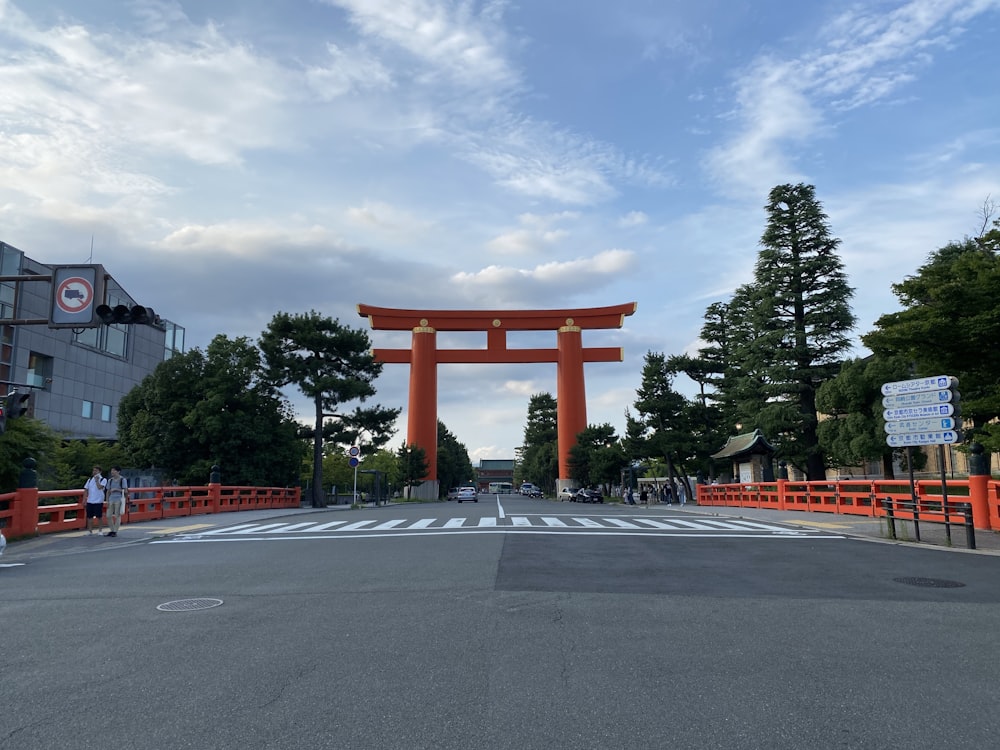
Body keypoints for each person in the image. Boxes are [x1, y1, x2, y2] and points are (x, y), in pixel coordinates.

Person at [104, 466, 129, 537]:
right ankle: (112, 530)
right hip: (111, 499)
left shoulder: (122, 480)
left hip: (119, 499)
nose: (112, 472)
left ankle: (115, 531)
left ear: (118, 471)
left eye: (114, 470)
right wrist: (107, 500)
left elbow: (125, 490)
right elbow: (108, 491)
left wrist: (116, 490)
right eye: (112, 470)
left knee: (117, 515)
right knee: (108, 515)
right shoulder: (110, 480)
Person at [84, 466, 107, 535]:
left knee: (99, 516)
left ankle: (100, 530)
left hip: (98, 500)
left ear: (100, 472)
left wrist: (97, 480)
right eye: (93, 470)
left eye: (96, 471)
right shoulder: (90, 479)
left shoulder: (103, 479)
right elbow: (86, 489)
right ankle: (90, 530)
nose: (94, 472)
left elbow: (100, 487)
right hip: (90, 500)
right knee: (89, 516)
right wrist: (85, 499)